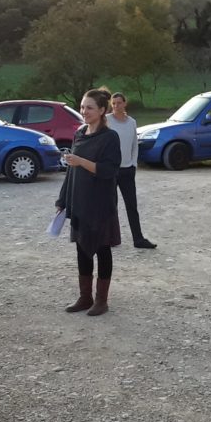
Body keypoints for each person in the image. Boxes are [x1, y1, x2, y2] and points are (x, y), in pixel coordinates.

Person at [56, 89, 121, 316]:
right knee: (82, 249)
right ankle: (85, 298)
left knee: (102, 250)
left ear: (102, 110)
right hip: (80, 201)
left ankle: (101, 301)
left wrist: (81, 161)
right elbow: (71, 172)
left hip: (101, 203)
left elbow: (109, 170)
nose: (84, 111)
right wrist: (62, 199)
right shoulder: (80, 133)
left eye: (89, 107)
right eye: (82, 107)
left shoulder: (110, 137)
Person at [107, 92, 156, 249]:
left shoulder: (131, 122)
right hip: (111, 169)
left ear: (124, 103)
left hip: (127, 169)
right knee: (111, 205)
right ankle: (110, 238)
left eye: (119, 103)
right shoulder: (107, 120)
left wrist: (133, 164)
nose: (116, 106)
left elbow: (135, 144)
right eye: (113, 103)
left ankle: (138, 239)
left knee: (132, 205)